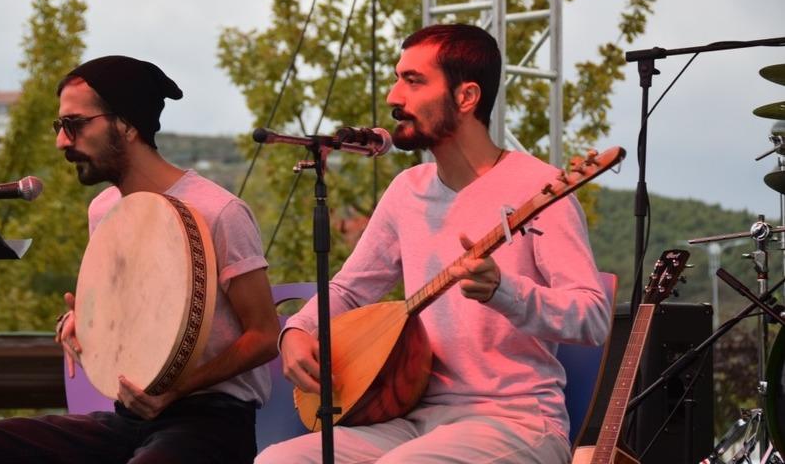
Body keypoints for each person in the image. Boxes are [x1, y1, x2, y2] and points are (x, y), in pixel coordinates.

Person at [255, 24, 610, 463]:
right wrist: (297, 330)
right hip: (412, 418)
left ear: (466, 97)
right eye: (397, 78)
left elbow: (593, 318)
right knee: (278, 460)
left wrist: (506, 293)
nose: (393, 97)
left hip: (516, 421)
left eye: (413, 80)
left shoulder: (542, 188)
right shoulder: (408, 189)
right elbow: (349, 289)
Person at [0, 56, 280, 464]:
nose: (62, 142)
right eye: (59, 127)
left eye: (75, 125)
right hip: (129, 420)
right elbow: (136, 318)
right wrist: (84, 322)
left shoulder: (220, 211)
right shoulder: (103, 210)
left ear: (128, 124)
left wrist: (175, 390)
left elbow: (264, 335)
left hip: (212, 423)